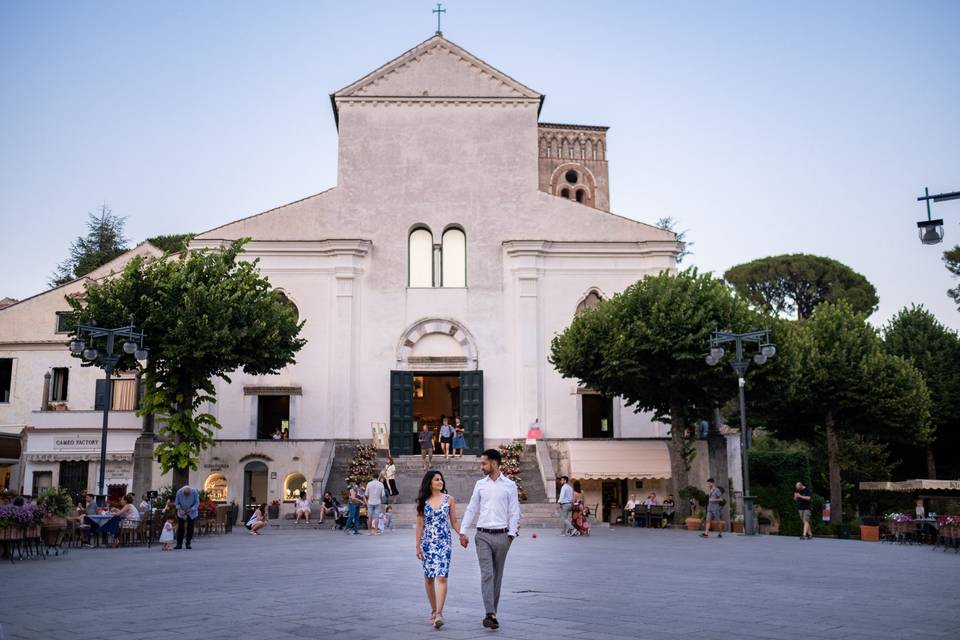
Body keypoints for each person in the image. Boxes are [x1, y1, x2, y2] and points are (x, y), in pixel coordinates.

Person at [457, 449, 522, 631]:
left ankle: (493, 612)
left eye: (484, 463)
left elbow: (514, 512)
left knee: (497, 576)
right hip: (483, 535)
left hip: (503, 536)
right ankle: (490, 614)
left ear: (494, 463)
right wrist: (463, 531)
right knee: (487, 574)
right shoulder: (480, 484)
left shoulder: (510, 485)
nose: (481, 466)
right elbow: (472, 508)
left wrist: (511, 535)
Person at [416, 470, 462, 629]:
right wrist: (417, 546)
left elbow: (454, 521)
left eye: (441, 479)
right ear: (430, 482)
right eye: (437, 479)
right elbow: (420, 525)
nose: (440, 482)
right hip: (428, 543)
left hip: (444, 543)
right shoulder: (424, 501)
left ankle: (439, 614)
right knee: (429, 578)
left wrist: (462, 534)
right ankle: (433, 610)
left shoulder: (449, 500)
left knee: (441, 577)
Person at [174, 485, 200, 549]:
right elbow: (177, 503)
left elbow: (197, 503)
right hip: (181, 511)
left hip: (191, 511)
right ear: (183, 492)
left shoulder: (194, 492)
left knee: (190, 527)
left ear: (190, 492)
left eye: (188, 494)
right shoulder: (179, 492)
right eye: (185, 494)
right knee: (180, 527)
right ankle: (179, 544)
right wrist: (180, 509)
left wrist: (191, 509)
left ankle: (188, 543)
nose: (186, 495)